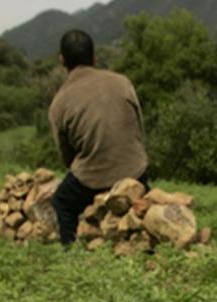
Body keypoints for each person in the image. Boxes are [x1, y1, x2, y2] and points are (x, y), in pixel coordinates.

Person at [48, 29, 149, 246]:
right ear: (94, 57)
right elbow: (139, 129)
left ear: (62, 61)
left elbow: (66, 155)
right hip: (136, 172)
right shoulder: (123, 82)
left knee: (62, 202)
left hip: (91, 178)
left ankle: (71, 255)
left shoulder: (59, 102)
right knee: (142, 198)